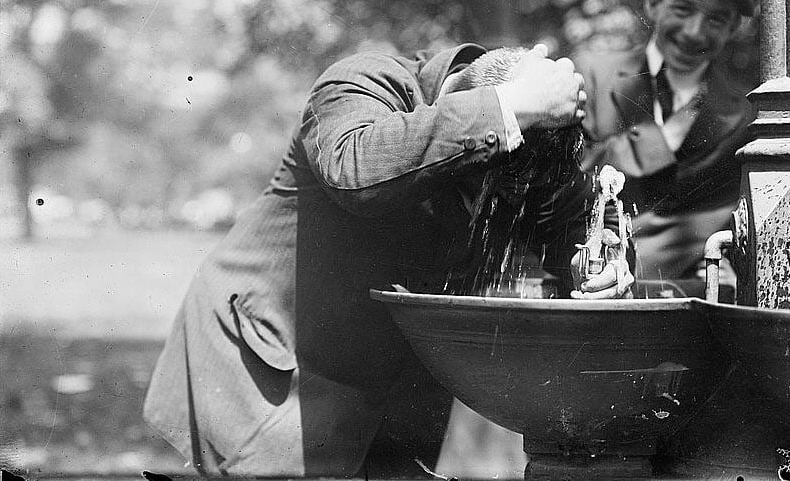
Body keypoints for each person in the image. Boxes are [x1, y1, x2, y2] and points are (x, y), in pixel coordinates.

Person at [143, 42, 630, 477]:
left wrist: (603, 265)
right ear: (462, 94)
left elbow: (578, 224)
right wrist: (505, 109)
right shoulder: (363, 83)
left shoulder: (533, 143)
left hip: (398, 391)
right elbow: (354, 169)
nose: (492, 198)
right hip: (274, 368)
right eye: (481, 175)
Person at [571, 0, 761, 293]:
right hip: (580, 286)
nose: (694, 32)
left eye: (716, 20)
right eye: (683, 9)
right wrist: (663, 139)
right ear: (653, 3)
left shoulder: (745, 118)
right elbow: (569, 187)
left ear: (734, 28)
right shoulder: (591, 75)